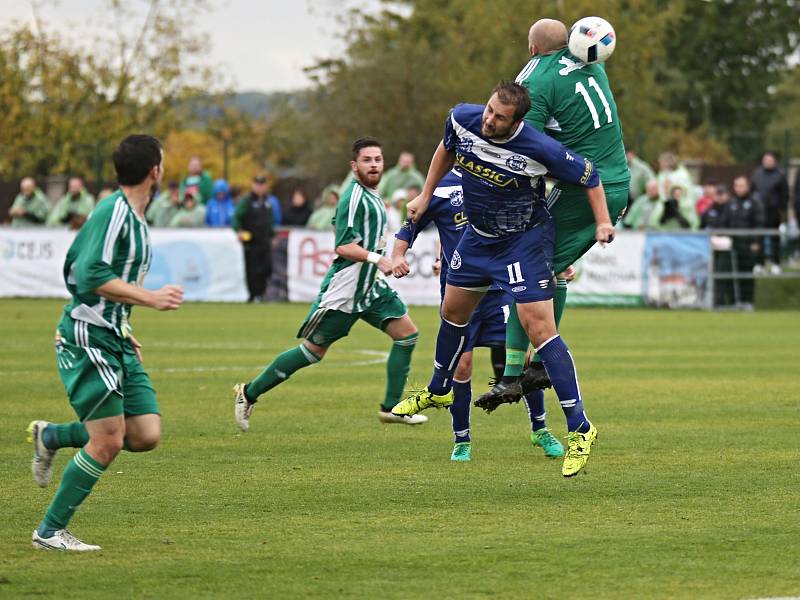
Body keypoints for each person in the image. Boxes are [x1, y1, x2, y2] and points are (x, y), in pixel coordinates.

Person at [390, 82, 614, 477]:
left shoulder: (540, 149)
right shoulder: (464, 117)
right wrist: (426, 194)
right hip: (478, 238)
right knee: (452, 311)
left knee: (539, 328)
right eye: (490, 110)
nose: (489, 120)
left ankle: (581, 428)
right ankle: (439, 391)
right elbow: (447, 147)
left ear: (518, 122)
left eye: (499, 117)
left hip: (523, 242)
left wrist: (602, 222)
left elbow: (591, 176)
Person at [26, 134, 184, 551]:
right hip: (87, 336)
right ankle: (49, 532)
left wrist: (127, 327)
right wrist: (149, 298)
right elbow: (89, 273)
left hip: (114, 335)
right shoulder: (114, 213)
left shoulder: (135, 218)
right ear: (155, 170)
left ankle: (53, 437)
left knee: (145, 434)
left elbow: (105, 279)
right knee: (109, 440)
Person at [477, 18, 630, 414]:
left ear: (532, 49)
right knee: (553, 270)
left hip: (584, 188)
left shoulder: (537, 78)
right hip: (615, 183)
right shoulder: (592, 64)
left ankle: (516, 373)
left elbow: (523, 141)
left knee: (524, 270)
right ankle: (535, 367)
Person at [232, 138, 425, 430]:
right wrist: (380, 260)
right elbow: (343, 246)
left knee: (407, 335)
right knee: (312, 352)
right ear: (354, 165)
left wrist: (391, 255)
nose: (373, 164)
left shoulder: (373, 195)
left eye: (378, 159)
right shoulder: (354, 197)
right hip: (346, 289)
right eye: (367, 160)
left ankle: (391, 409)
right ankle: (248, 392)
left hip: (370, 287)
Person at [392, 168, 564, 461]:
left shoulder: (503, 172)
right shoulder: (442, 186)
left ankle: (540, 429)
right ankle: (462, 440)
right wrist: (398, 254)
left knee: (521, 358)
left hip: (501, 288)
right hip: (462, 294)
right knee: (462, 365)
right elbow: (412, 222)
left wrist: (556, 258)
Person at [233, 175, 276, 303]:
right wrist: (239, 231)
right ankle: (253, 295)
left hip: (264, 241)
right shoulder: (246, 201)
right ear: (253, 185)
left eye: (262, 184)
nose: (260, 187)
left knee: (266, 268)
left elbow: (270, 221)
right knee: (252, 269)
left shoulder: (268, 202)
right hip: (251, 241)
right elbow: (236, 218)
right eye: (257, 184)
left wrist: (272, 236)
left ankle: (262, 294)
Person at [750, 151, 789, 268]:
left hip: (774, 211)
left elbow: (785, 194)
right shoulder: (757, 174)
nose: (767, 162)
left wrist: (781, 209)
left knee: (774, 238)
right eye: (765, 159)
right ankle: (759, 263)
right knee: (759, 237)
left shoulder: (780, 175)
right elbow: (753, 191)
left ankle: (776, 263)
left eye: (770, 160)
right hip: (759, 211)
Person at [656, 152, 698, 228]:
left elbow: (685, 189)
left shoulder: (682, 174)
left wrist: (671, 187)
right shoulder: (662, 174)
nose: (660, 164)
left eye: (662, 162)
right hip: (665, 203)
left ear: (668, 163)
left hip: (681, 204)